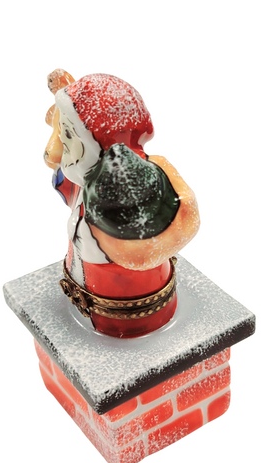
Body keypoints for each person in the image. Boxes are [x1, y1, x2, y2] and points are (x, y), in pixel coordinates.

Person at [43, 70, 200, 338]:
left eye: (68, 135)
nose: (56, 152)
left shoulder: (130, 195)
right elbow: (56, 161)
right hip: (83, 298)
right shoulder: (85, 179)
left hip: (132, 319)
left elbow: (142, 252)